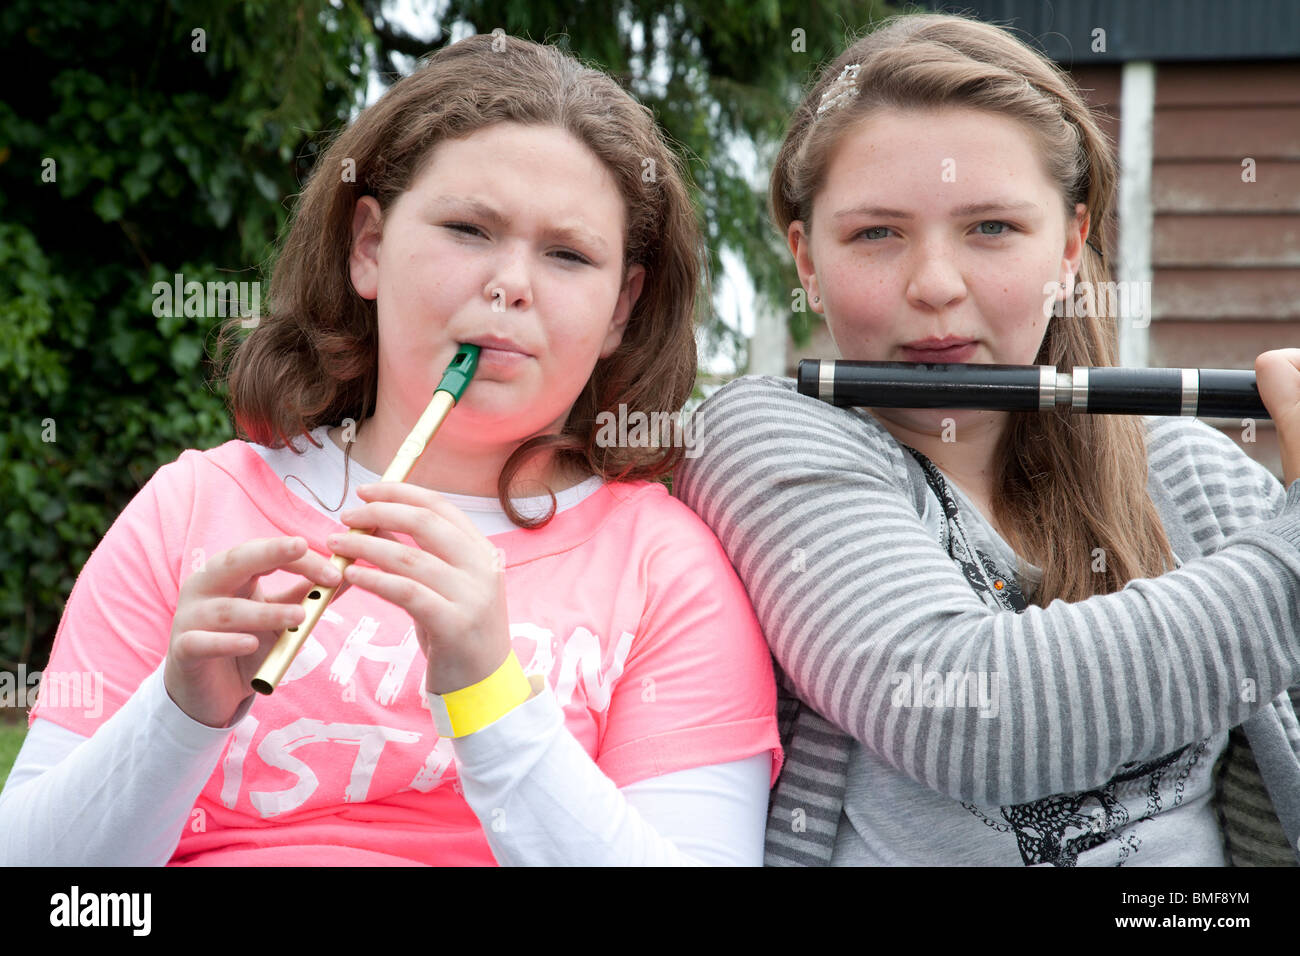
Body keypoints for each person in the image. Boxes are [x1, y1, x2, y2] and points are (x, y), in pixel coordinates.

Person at [0, 34, 781, 866]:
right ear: (367, 245)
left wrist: (492, 700)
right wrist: (177, 716)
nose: (512, 283)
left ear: (622, 306)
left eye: (567, 254)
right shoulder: (191, 508)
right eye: (469, 229)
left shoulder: (669, 569)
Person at [673, 12, 1300, 866]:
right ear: (807, 262)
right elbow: (966, 717)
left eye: (993, 228)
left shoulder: (1187, 470)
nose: (934, 285)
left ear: (1072, 246)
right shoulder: (760, 436)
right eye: (876, 233)